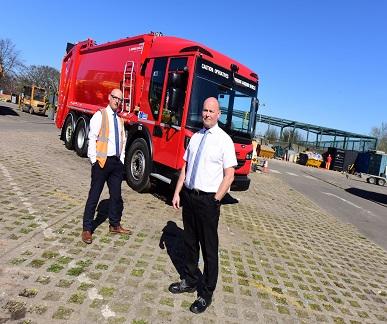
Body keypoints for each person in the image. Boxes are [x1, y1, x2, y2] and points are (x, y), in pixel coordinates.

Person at [168, 97, 237, 314]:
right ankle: (189, 280)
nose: (206, 114)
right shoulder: (196, 137)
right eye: (204, 110)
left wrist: (216, 199)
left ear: (218, 114)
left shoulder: (224, 140)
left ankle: (206, 292)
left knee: (209, 249)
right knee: (189, 243)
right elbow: (186, 167)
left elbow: (230, 176)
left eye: (211, 111)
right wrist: (178, 192)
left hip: (208, 201)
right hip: (189, 196)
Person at [81, 89, 131, 244]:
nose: (117, 101)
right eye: (115, 98)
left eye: (120, 99)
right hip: (101, 163)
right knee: (94, 195)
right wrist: (94, 160)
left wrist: (121, 160)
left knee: (116, 196)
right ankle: (87, 229)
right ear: (109, 98)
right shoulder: (100, 115)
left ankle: (114, 225)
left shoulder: (120, 120)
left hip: (116, 164)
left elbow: (122, 142)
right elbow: (92, 137)